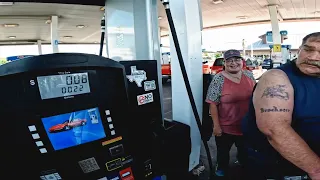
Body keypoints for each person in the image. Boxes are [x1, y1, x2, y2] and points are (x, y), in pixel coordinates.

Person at [242, 32, 320, 180]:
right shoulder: (276, 78)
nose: (313, 57)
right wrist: (316, 170)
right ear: (299, 50)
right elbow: (274, 129)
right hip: (284, 170)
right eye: (308, 49)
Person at [206, 49, 256, 177]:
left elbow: (257, 96)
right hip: (225, 126)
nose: (234, 63)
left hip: (246, 125)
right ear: (225, 62)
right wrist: (216, 126)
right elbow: (212, 103)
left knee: (245, 151)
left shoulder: (249, 75)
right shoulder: (218, 79)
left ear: (242, 61)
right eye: (229, 60)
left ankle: (242, 164)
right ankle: (221, 168)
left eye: (237, 59)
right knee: (223, 153)